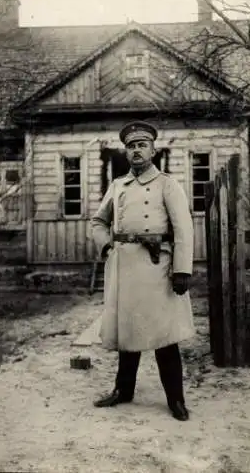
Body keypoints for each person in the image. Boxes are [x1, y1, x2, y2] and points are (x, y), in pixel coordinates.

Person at [91, 120, 195, 421]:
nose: (136, 151)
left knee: (164, 336)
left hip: (157, 266)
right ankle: (123, 391)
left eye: (142, 145)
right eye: (131, 147)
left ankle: (176, 399)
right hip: (125, 267)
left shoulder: (167, 184)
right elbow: (98, 222)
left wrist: (181, 270)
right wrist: (107, 248)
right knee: (128, 331)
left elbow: (183, 229)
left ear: (153, 149)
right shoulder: (118, 185)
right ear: (126, 152)